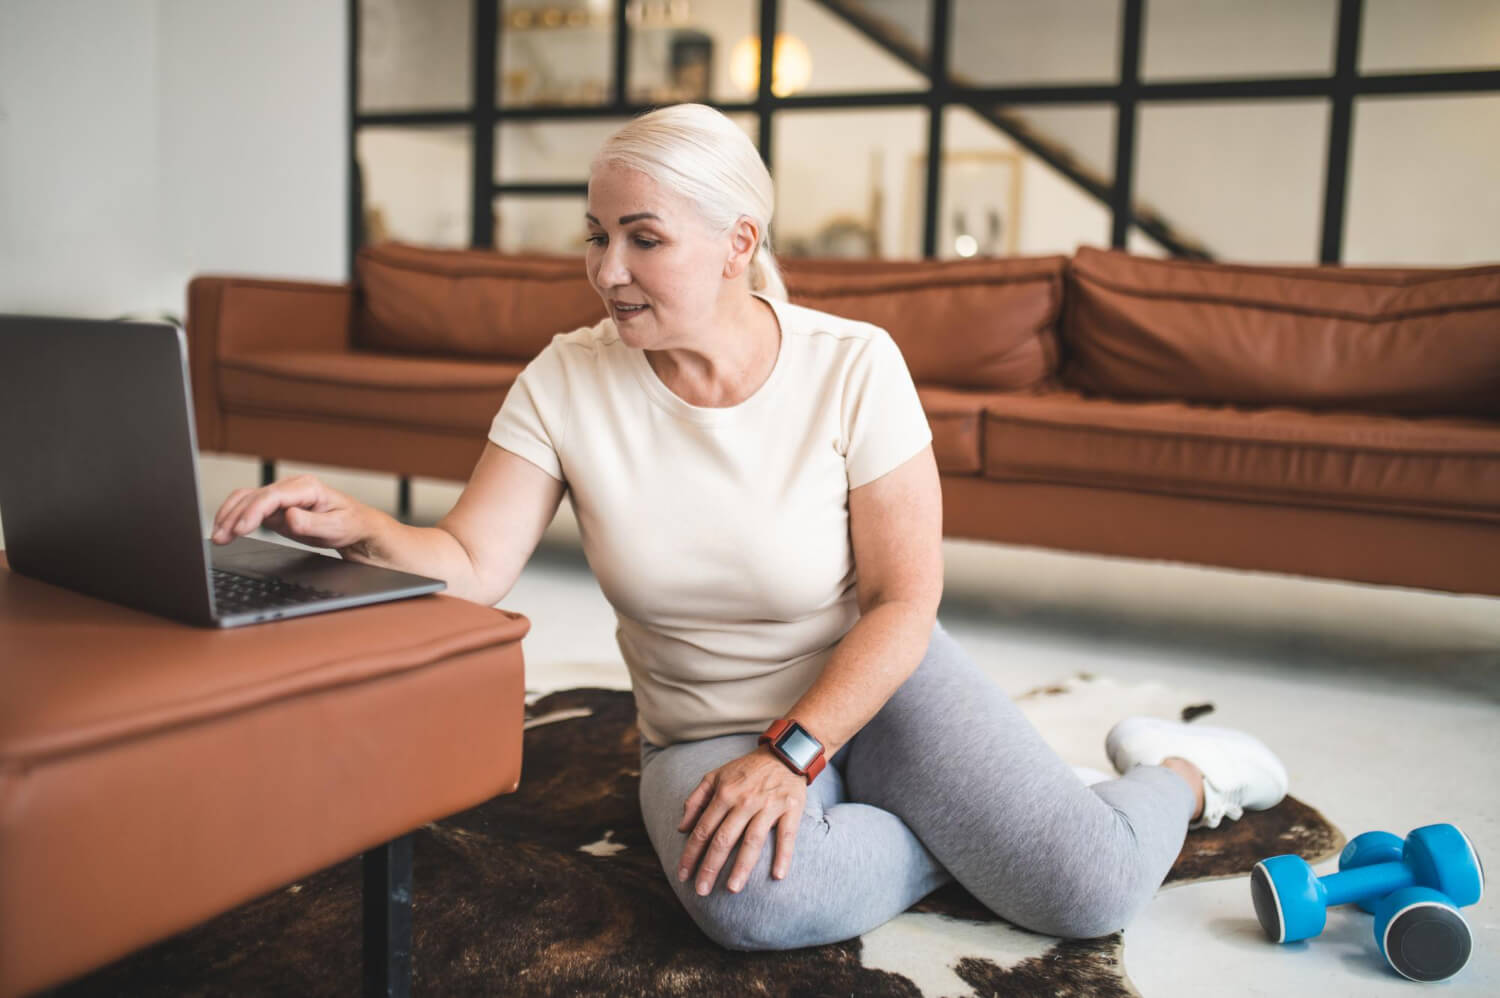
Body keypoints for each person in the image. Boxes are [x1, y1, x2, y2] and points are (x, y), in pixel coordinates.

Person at [210, 103, 1288, 949]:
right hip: (707, 726)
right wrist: (360, 526)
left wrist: (799, 753)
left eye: (643, 238)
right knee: (757, 908)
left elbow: (906, 599)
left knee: (1086, 889)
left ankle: (1182, 770)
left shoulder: (852, 364)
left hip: (880, 689)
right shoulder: (565, 379)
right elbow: (471, 562)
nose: (608, 270)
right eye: (596, 236)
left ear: (738, 242)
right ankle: (972, 834)